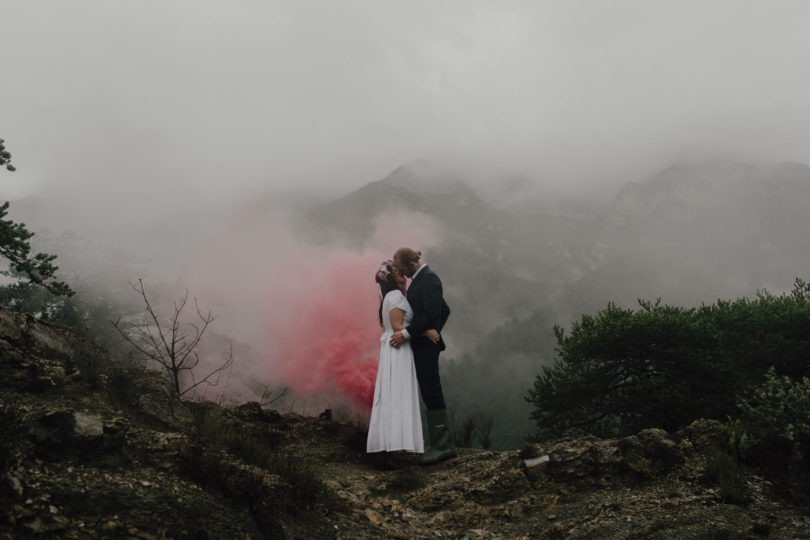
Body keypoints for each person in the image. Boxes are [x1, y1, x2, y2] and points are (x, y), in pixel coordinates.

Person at [366, 260, 439, 469]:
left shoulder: (389, 297)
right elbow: (398, 326)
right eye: (397, 272)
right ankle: (387, 449)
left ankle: (386, 448)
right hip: (398, 349)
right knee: (395, 395)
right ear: (390, 277)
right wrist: (425, 331)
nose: (402, 275)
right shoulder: (396, 296)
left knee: (391, 395)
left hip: (393, 348)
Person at [389, 248, 455, 465]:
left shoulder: (428, 279)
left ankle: (441, 447)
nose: (401, 273)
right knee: (429, 389)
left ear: (411, 264)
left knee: (431, 390)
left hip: (425, 346)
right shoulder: (422, 280)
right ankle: (441, 445)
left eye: (401, 268)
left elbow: (432, 313)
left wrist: (409, 333)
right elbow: (443, 310)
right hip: (424, 342)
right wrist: (433, 330)